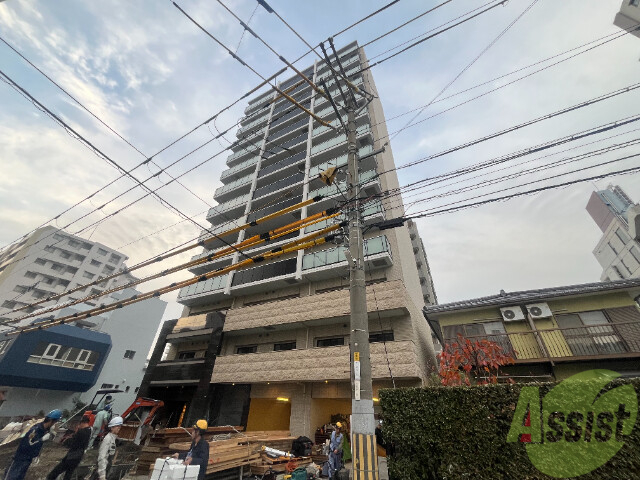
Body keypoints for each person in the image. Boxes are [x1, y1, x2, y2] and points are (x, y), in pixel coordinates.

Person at [3, 409, 62, 480]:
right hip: (19, 459)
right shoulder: (36, 429)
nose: (54, 424)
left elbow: (39, 445)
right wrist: (41, 440)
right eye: (55, 422)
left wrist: (37, 455)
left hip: (28, 459)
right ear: (51, 421)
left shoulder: (44, 431)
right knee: (10, 477)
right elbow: (26, 445)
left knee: (18, 477)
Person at [46, 416, 92, 480]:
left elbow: (71, 443)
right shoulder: (89, 430)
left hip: (72, 456)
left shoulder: (81, 432)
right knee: (68, 474)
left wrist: (75, 432)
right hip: (79, 456)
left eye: (80, 423)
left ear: (82, 423)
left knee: (54, 473)